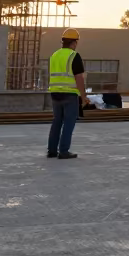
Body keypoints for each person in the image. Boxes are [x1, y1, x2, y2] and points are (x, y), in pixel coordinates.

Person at [47, 27, 88, 159]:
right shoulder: (73, 56)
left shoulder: (54, 55)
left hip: (54, 93)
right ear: (74, 43)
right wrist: (83, 96)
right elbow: (79, 78)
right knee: (69, 122)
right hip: (69, 94)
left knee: (57, 121)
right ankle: (64, 151)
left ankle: (52, 150)